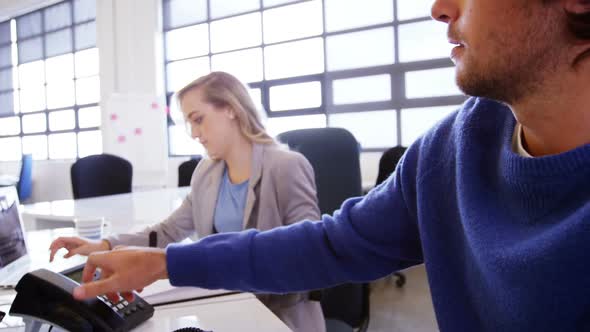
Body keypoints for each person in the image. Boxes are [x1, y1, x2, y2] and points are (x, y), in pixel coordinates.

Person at [71, 0, 590, 331]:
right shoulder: (449, 149)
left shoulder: (283, 162)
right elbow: (330, 243)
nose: (438, 8)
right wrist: (163, 262)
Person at [49, 72, 326, 332]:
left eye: (198, 119)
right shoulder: (206, 172)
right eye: (189, 123)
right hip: (227, 307)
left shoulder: (286, 166)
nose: (193, 133)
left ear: (230, 108)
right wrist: (105, 245)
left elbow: (309, 251)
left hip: (280, 315)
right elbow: (169, 232)